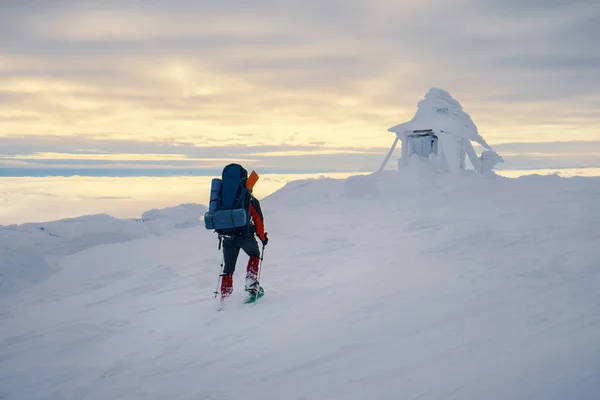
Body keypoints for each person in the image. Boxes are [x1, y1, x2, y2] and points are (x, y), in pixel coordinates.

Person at [220, 180, 268, 300]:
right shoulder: (249, 200)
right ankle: (251, 283)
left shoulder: (223, 198)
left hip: (227, 237)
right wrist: (263, 238)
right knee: (254, 254)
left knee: (228, 268)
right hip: (245, 236)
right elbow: (258, 221)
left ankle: (225, 297)